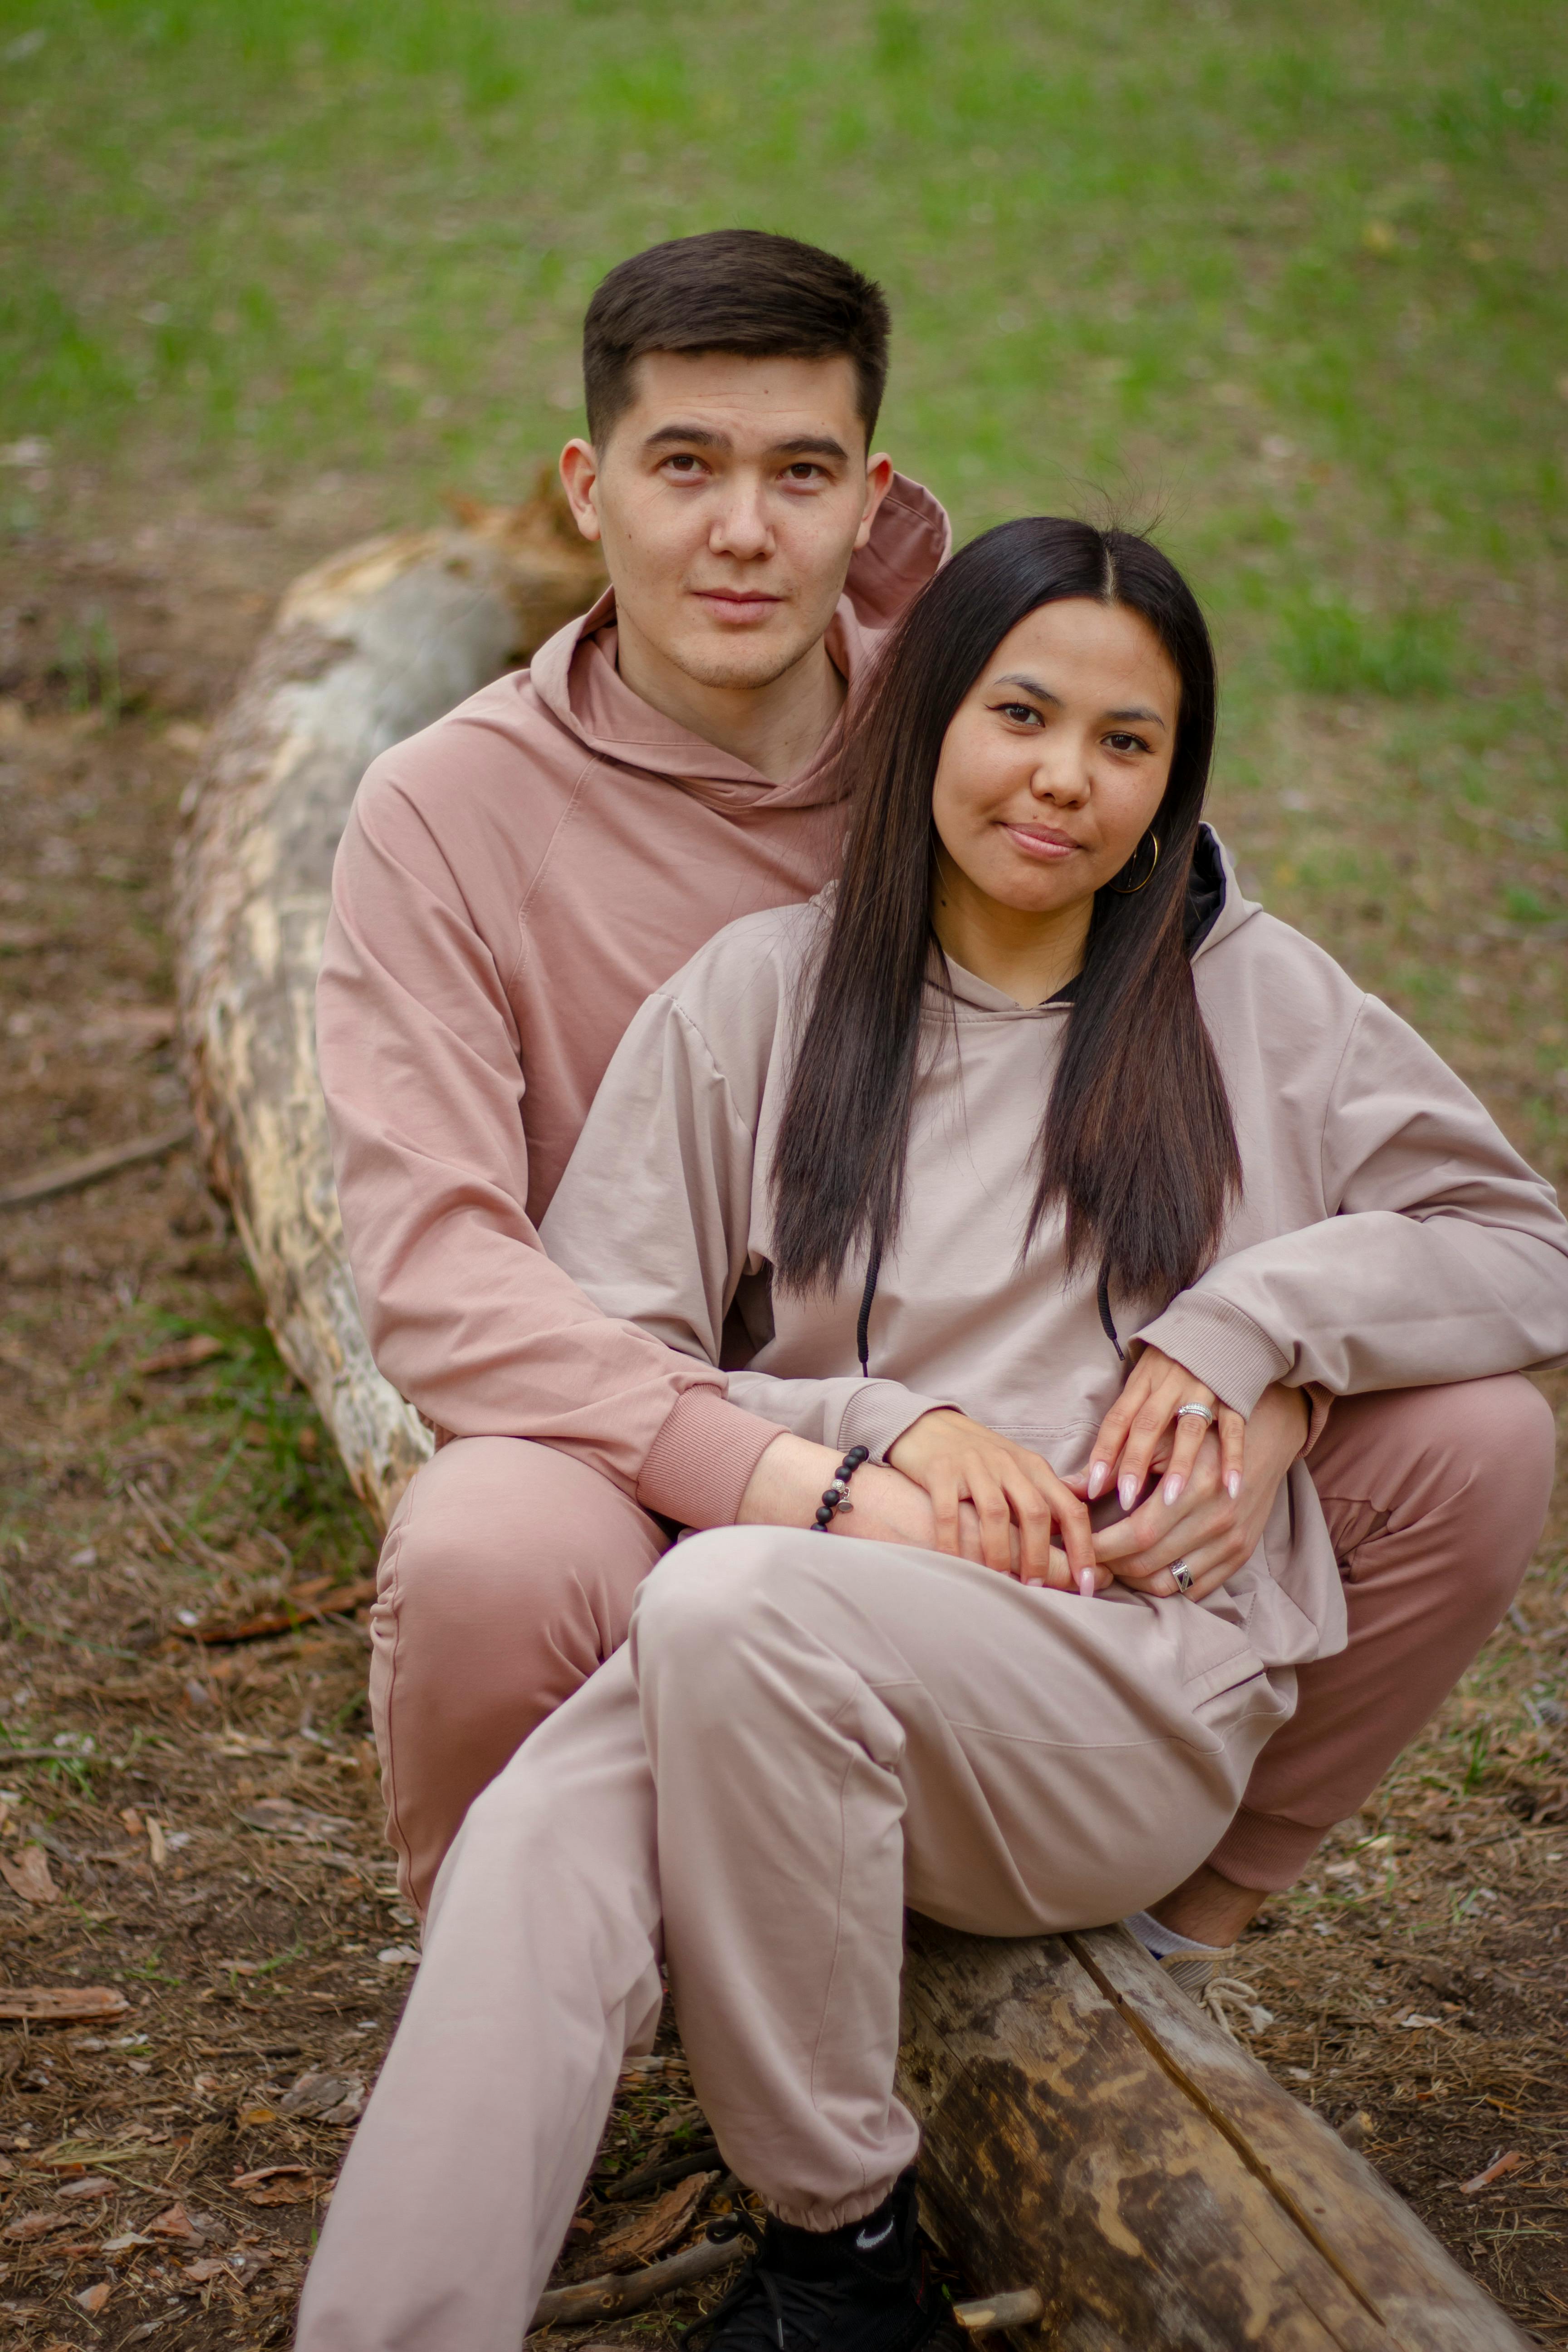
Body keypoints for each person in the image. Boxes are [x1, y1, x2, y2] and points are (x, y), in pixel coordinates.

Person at [298, 519, 1568, 2352]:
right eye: (1021, 713)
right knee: (527, 1869)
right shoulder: (760, 998)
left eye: (1127, 744)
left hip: (1110, 1695)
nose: (1065, 777)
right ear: (923, 728)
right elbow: (610, 1351)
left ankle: (843, 2252)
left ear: (1172, 783)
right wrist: (884, 1430)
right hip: (791, 1645)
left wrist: (1249, 1338)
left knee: (729, 1609)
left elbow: (1524, 1247)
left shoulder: (1256, 1005)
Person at [318, 225, 1552, 1961]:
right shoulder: (442, 814)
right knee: (485, 1547)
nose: (744, 531)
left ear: (869, 494)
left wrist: (1263, 1367)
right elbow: (441, 1275)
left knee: (1477, 1435)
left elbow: (1189, 1010)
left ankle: (1165, 1941)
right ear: (588, 490)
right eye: (688, 466)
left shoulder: (994, 711)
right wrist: (798, 1483)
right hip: (650, 1429)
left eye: (798, 472)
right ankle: (546, 1977)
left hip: (1027, 1471)